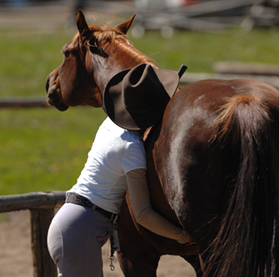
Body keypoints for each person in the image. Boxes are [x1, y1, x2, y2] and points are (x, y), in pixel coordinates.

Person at [47, 63, 193, 277]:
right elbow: (143, 214)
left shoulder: (110, 125)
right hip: (79, 232)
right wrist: (182, 236)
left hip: (72, 225)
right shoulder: (131, 150)